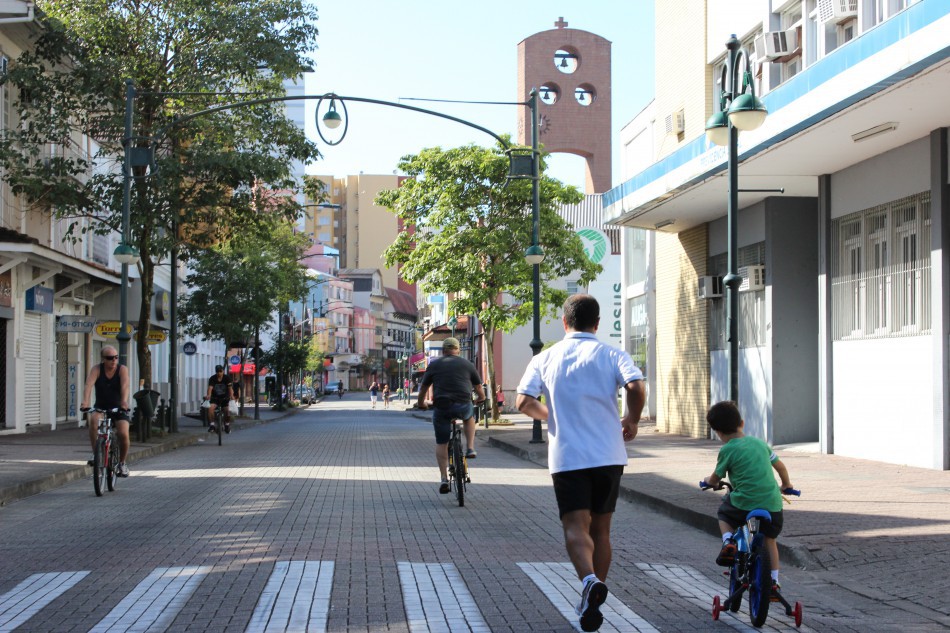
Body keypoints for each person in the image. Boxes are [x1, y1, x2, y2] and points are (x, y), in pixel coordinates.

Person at [516, 295, 645, 633]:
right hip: (609, 455)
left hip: (568, 455)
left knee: (575, 526)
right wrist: (632, 419)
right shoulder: (612, 354)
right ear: (597, 323)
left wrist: (550, 415)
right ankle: (594, 591)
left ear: (564, 322)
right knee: (601, 530)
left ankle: (589, 583)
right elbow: (636, 385)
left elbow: (522, 401)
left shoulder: (545, 357)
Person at [702, 400, 793, 598]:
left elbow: (716, 477)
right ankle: (775, 582)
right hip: (772, 506)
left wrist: (708, 482)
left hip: (743, 504)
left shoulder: (727, 450)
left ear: (718, 432)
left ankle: (728, 542)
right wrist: (786, 485)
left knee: (724, 514)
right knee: (770, 541)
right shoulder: (761, 444)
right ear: (742, 423)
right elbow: (781, 467)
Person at [416, 337, 486, 494]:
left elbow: (423, 389)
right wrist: (481, 398)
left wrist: (421, 404)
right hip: (463, 403)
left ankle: (443, 478)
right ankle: (470, 448)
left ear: (443, 350)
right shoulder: (467, 364)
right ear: (458, 350)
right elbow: (479, 388)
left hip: (442, 406)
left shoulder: (434, 365)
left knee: (442, 443)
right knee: (469, 417)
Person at [81, 346, 132, 477]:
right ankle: (96, 454)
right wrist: (85, 402)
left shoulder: (122, 370)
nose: (113, 360)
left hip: (119, 407)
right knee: (93, 421)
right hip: (101, 406)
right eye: (110, 358)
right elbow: (88, 385)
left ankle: (122, 463)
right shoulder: (97, 369)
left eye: (116, 357)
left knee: (123, 433)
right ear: (103, 359)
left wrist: (124, 402)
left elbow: (125, 386)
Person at [206, 365, 234, 434]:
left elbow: (230, 389)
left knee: (227, 411)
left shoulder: (227, 378)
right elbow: (210, 388)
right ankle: (212, 425)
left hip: (225, 398)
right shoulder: (212, 378)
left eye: (220, 371)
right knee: (210, 409)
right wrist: (208, 395)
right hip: (215, 398)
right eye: (217, 372)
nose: (219, 373)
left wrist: (232, 396)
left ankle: (227, 425)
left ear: (223, 371)